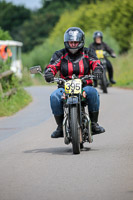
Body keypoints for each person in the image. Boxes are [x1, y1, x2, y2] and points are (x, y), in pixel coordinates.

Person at [44, 27, 105, 138]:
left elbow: (96, 62)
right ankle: (60, 127)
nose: (73, 45)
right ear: (66, 42)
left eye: (75, 42)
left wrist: (97, 70)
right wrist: (49, 72)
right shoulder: (59, 54)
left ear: (81, 41)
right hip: (64, 86)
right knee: (54, 96)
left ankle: (94, 124)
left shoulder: (88, 52)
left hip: (85, 86)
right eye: (71, 42)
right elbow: (52, 66)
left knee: (93, 93)